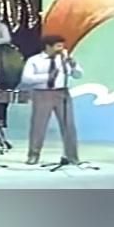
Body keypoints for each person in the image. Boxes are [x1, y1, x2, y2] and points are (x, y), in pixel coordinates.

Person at [19, 34, 84, 165]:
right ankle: (33, 155)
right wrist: (47, 76)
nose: (61, 49)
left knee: (68, 125)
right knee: (38, 126)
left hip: (62, 93)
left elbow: (78, 75)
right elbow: (26, 79)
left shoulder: (64, 60)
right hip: (42, 94)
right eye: (58, 46)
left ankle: (72, 156)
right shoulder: (34, 60)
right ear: (48, 46)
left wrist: (74, 65)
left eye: (62, 46)